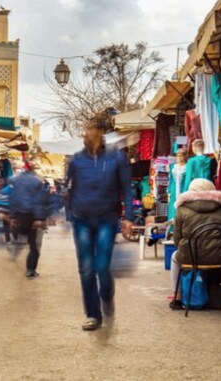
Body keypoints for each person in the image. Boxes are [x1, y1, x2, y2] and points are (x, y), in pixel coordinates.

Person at [65, 121, 134, 331]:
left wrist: (128, 217)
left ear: (102, 135)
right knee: (86, 269)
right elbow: (68, 187)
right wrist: (70, 214)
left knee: (102, 266)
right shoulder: (76, 160)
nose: (90, 137)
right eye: (87, 133)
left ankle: (107, 295)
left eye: (94, 133)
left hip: (107, 218)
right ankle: (93, 315)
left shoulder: (116, 158)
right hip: (82, 220)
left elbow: (127, 189)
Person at [168, 178, 221, 310]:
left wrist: (186, 248)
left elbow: (177, 239)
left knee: (174, 257)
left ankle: (177, 297)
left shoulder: (182, 209)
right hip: (220, 257)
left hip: (191, 256)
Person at [6, 162, 50, 278]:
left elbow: (13, 199)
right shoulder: (37, 181)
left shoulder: (15, 181)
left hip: (19, 214)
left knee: (19, 236)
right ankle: (30, 270)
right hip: (32, 215)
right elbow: (39, 201)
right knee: (34, 245)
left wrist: (13, 216)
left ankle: (15, 250)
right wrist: (39, 218)